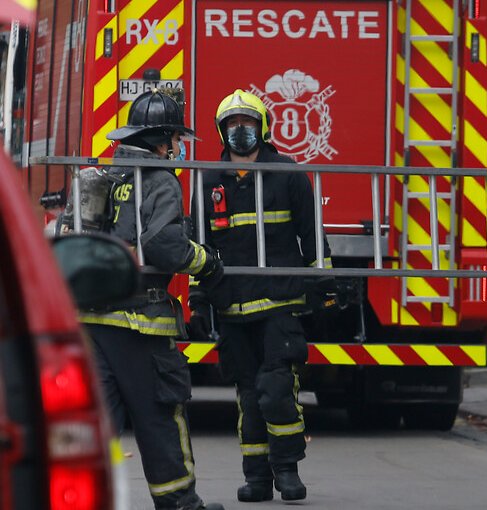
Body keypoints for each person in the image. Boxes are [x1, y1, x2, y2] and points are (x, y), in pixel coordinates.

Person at [77, 90, 225, 510]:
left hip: (91, 320)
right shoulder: (160, 180)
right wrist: (205, 261)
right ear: (161, 141)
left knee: (94, 421)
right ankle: (179, 503)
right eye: (173, 140)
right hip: (140, 323)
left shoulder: (106, 176)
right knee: (161, 415)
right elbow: (163, 245)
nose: (176, 148)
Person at [189, 89, 337, 503]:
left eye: (248, 123)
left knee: (276, 389)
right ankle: (256, 478)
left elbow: (311, 233)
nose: (240, 131)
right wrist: (198, 300)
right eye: (232, 125)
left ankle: (287, 470)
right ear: (222, 131)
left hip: (279, 302)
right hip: (231, 306)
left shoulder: (286, 172)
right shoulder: (209, 177)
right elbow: (197, 243)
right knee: (248, 396)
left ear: (263, 128)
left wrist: (321, 287)